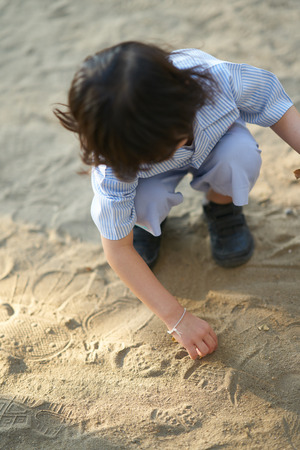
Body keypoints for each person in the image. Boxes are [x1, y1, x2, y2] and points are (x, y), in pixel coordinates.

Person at [54, 41, 300, 360]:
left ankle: (221, 207)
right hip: (148, 182)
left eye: (167, 142)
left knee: (239, 157)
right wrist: (177, 318)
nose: (163, 154)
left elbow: (272, 101)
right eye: (144, 154)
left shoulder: (216, 81)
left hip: (217, 141)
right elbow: (116, 249)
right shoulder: (114, 160)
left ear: (186, 96)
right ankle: (147, 224)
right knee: (144, 199)